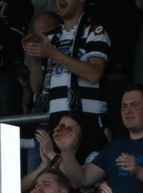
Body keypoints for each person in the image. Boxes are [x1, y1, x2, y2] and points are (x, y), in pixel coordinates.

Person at [23, 0, 110, 134]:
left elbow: (94, 74)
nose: (60, 1)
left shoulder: (95, 31)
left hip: (88, 124)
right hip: (56, 127)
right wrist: (35, 60)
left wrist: (52, 53)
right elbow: (36, 88)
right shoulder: (52, 37)